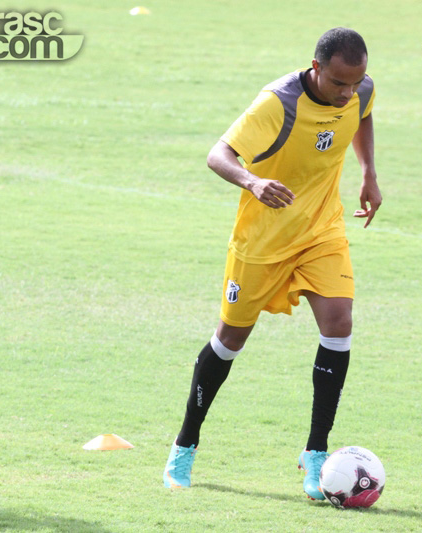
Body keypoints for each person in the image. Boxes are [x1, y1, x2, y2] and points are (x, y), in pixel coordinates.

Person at [163, 27, 381, 501]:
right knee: (230, 340)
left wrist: (368, 173)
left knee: (339, 325)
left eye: (356, 82)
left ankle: (316, 453)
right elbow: (217, 154)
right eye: (339, 83)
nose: (348, 93)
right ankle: (185, 443)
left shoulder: (359, 88)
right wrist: (253, 182)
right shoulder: (277, 103)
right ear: (316, 67)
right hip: (261, 243)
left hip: (321, 231)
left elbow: (362, 115)